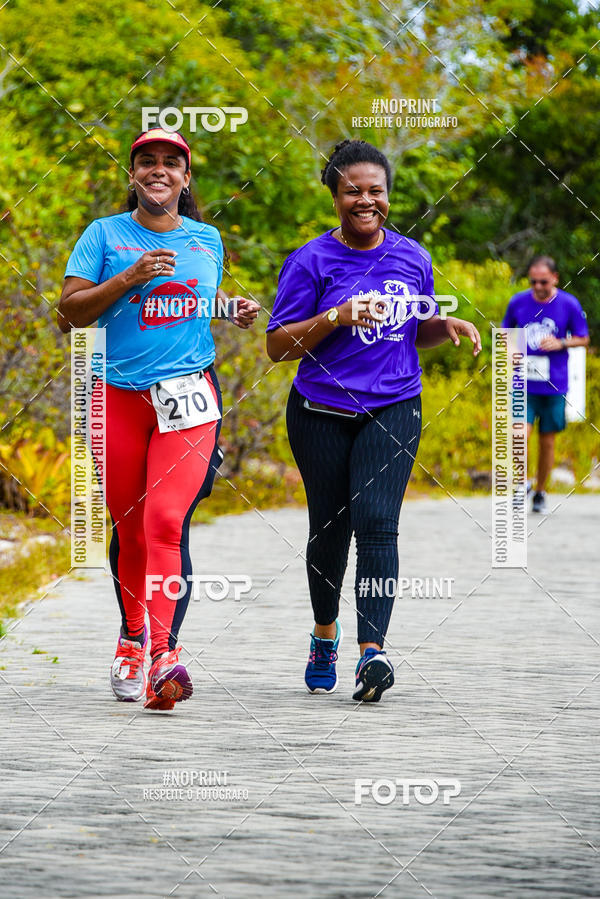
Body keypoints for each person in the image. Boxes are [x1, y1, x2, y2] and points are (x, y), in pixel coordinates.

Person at [266, 139, 481, 702]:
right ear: (334, 196)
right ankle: (323, 635)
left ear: (389, 195)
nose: (366, 200)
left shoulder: (412, 257)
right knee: (330, 528)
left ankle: (373, 653)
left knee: (379, 523)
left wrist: (448, 326)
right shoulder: (310, 261)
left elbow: (418, 327)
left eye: (376, 191)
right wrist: (336, 315)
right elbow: (277, 347)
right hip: (319, 411)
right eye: (353, 191)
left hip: (393, 406)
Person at [57, 128, 259, 710]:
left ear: (186, 179)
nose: (159, 170)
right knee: (130, 524)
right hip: (114, 396)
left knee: (167, 521)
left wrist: (232, 309)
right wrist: (129, 277)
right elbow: (71, 313)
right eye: (147, 162)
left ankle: (165, 657)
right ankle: (131, 636)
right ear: (134, 175)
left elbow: (188, 305)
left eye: (172, 163)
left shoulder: (208, 238)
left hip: (187, 396)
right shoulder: (104, 235)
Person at [502, 255, 589, 514]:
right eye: (533, 281)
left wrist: (561, 342)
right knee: (519, 434)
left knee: (547, 442)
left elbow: (583, 338)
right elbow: (506, 332)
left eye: (543, 282)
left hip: (554, 384)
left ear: (555, 279)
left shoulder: (569, 304)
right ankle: (522, 483)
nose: (538, 287)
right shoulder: (518, 302)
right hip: (523, 382)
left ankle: (540, 491)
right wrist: (509, 350)